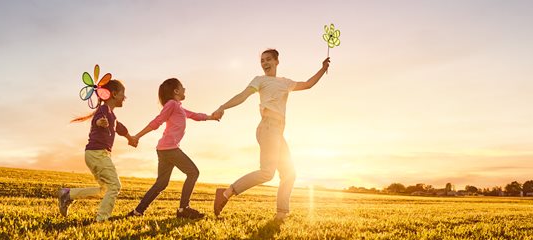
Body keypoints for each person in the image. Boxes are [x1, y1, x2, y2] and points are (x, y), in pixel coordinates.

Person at [212, 49, 330, 220]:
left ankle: (281, 215)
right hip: (267, 127)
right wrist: (222, 107)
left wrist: (322, 68)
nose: (265, 63)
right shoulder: (259, 80)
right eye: (262, 60)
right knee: (267, 172)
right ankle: (226, 193)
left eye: (268, 59)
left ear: (277, 61)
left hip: (277, 131)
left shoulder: (285, 83)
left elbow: (308, 84)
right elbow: (242, 96)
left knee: (289, 173)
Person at [127, 78, 220, 219]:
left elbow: (195, 115)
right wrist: (137, 136)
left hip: (164, 149)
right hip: (170, 149)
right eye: (182, 87)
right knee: (193, 172)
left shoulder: (179, 107)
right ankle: (183, 209)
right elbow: (157, 121)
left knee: (161, 183)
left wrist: (211, 117)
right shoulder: (172, 104)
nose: (185, 89)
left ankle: (137, 212)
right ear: (176, 91)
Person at [58, 79, 137, 222]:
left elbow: (119, 128)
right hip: (97, 153)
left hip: (96, 154)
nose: (124, 98)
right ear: (113, 94)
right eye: (123, 95)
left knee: (105, 190)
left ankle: (68, 195)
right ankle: (102, 219)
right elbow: (98, 119)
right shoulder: (103, 110)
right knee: (115, 186)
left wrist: (129, 138)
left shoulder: (111, 114)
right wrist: (100, 122)